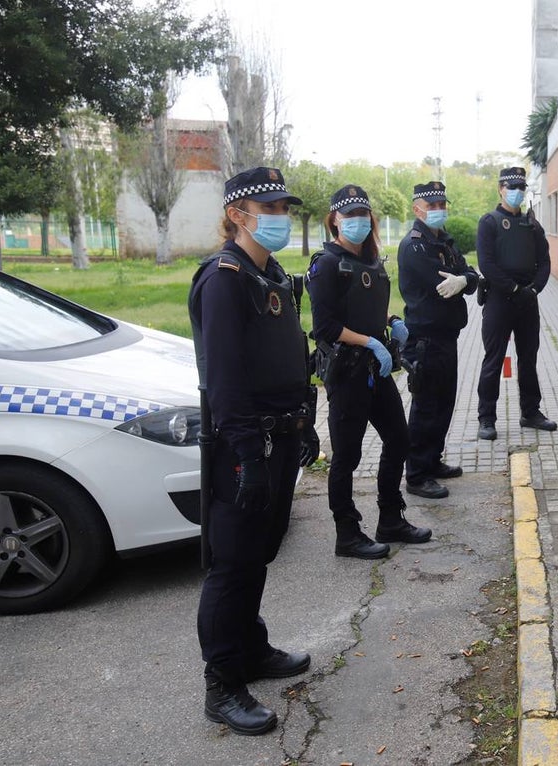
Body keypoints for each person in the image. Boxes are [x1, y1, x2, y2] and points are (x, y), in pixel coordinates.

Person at [188, 167, 319, 736]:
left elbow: (287, 356)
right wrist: (246, 455)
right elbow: (224, 379)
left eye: (285, 208)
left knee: (259, 554)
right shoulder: (224, 279)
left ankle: (252, 647)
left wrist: (305, 423)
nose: (280, 218)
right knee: (232, 564)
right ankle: (222, 682)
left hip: (281, 435)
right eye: (270, 208)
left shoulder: (271, 274)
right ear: (238, 214)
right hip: (246, 444)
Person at [306, 185, 432, 559]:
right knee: (347, 456)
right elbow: (325, 326)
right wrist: (367, 341)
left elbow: (369, 312)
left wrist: (391, 323)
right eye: (349, 215)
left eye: (363, 215)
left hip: (377, 371)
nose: (358, 221)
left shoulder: (375, 263)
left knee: (398, 439)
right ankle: (347, 534)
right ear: (335, 220)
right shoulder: (326, 264)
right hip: (347, 373)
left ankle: (391, 518)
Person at [396, 181, 478, 499]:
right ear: (417, 209)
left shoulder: (444, 241)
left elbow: (469, 275)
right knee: (426, 407)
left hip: (447, 336)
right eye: (431, 206)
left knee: (444, 404)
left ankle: (432, 461)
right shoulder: (414, 246)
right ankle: (417, 475)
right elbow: (441, 281)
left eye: (442, 204)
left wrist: (464, 279)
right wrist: (462, 278)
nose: (438, 210)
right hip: (426, 339)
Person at [475, 166, 555, 440]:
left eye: (521, 188)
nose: (517, 193)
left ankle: (530, 412)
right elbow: (486, 263)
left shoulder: (532, 225)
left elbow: (544, 262)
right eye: (511, 187)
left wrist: (533, 290)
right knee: (493, 360)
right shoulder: (489, 222)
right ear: (500, 189)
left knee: (528, 359)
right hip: (499, 300)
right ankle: (487, 418)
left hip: (527, 303)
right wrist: (513, 288)